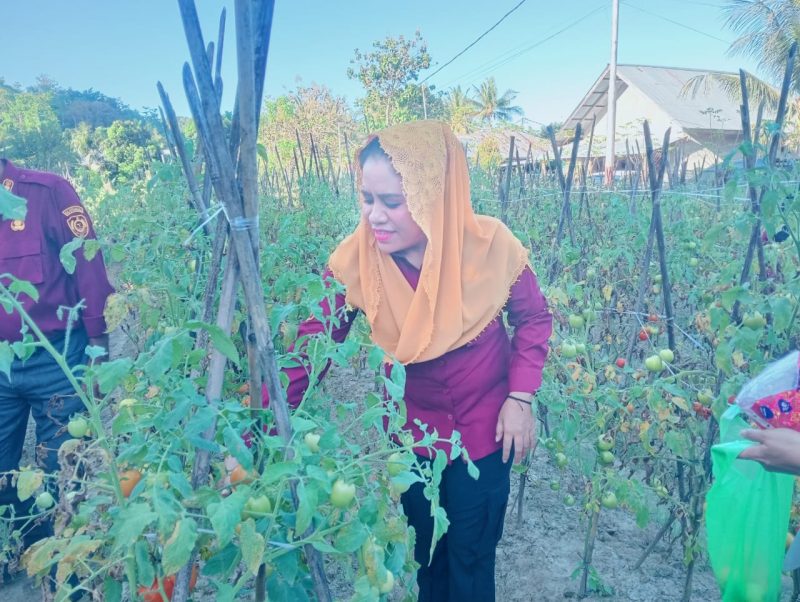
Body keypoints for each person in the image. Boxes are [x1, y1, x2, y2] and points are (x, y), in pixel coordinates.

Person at [259, 121, 552, 601]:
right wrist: (258, 429)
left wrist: (520, 396)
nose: (375, 216)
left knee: (473, 559)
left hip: (486, 435)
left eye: (392, 202)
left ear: (434, 196)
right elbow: (307, 353)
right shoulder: (358, 261)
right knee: (428, 558)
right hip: (414, 443)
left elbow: (534, 317)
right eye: (366, 198)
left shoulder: (489, 247)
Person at [0, 158, 114, 581]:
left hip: (58, 359)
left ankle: (63, 571)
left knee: (62, 472)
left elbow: (90, 269)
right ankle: (18, 550)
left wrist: (97, 357)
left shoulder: (47, 193)